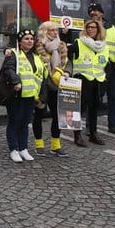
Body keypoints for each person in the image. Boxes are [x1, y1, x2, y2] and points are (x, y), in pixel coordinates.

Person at [0, 29, 48, 163]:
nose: (29, 41)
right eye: (26, 39)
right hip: (16, 95)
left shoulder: (37, 57)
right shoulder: (14, 54)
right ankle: (14, 149)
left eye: (31, 39)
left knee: (25, 123)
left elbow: (42, 77)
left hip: (31, 96)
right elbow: (8, 69)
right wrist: (16, 81)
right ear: (20, 41)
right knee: (14, 121)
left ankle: (23, 148)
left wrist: (42, 96)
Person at [86, 0, 115, 135]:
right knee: (94, 98)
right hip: (95, 68)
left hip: (111, 68)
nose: (93, 13)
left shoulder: (112, 28)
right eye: (91, 12)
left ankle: (113, 125)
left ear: (102, 13)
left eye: (96, 11)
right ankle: (90, 126)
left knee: (113, 98)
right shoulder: (88, 29)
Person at [69, 19, 109, 146]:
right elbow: (66, 59)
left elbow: (107, 64)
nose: (90, 30)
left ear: (99, 30)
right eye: (88, 27)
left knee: (94, 108)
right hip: (82, 80)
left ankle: (93, 133)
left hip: (98, 81)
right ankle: (77, 135)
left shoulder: (104, 46)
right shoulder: (79, 43)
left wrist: (106, 76)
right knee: (79, 109)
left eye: (93, 27)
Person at [32, 21, 69, 157]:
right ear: (44, 32)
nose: (55, 32)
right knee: (39, 114)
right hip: (42, 86)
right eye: (51, 30)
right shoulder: (37, 45)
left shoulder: (61, 45)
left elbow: (67, 63)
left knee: (58, 115)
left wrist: (67, 73)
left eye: (56, 30)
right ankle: (39, 144)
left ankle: (56, 145)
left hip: (57, 85)